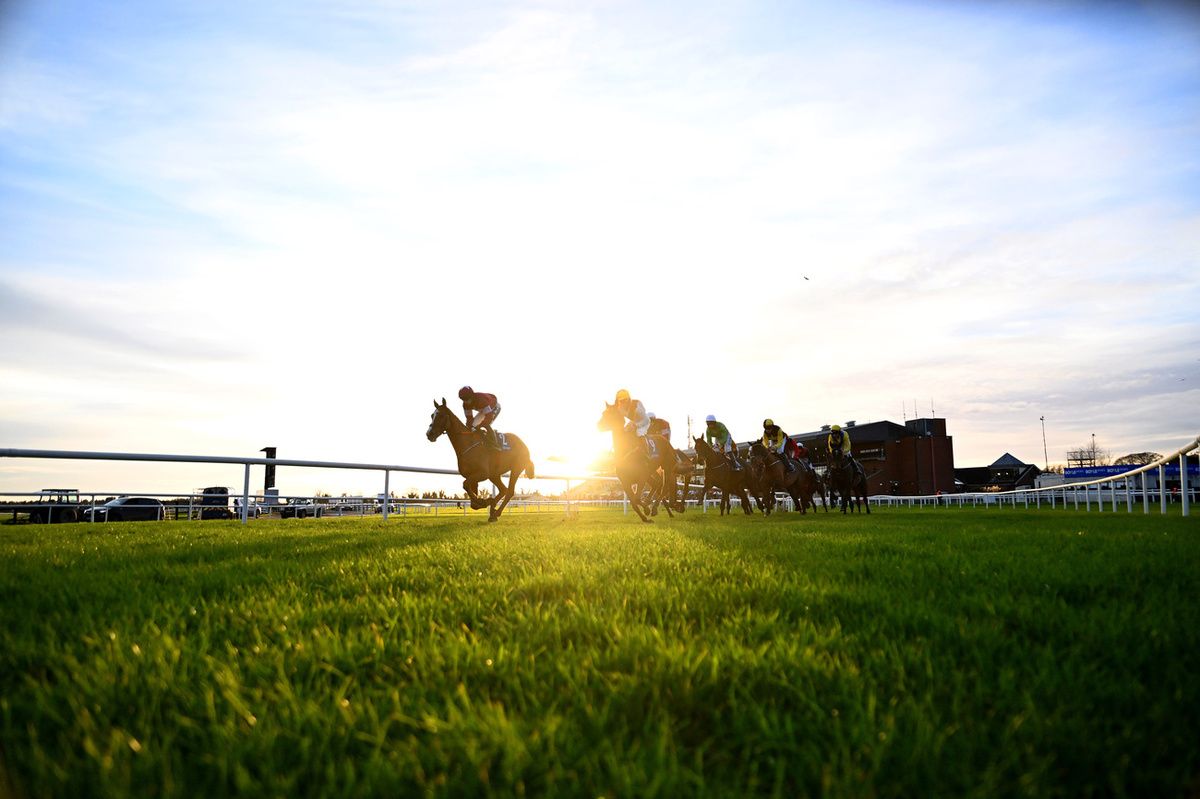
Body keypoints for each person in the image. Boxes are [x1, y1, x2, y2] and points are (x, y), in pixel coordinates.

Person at [615, 388, 653, 455]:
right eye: (621, 401)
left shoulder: (636, 405)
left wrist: (633, 425)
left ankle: (646, 451)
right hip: (634, 421)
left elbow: (633, 416)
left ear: (628, 399)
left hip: (643, 422)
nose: (623, 403)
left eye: (624, 400)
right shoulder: (620, 407)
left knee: (639, 433)